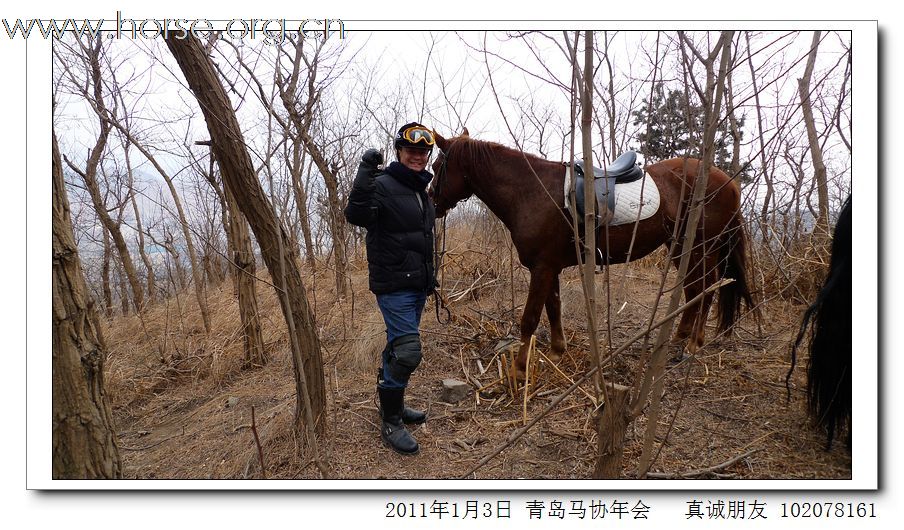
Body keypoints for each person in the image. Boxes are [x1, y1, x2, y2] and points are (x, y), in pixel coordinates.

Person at [344, 122, 438, 455]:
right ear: (399, 151)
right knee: (409, 352)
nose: (417, 157)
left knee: (398, 347)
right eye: (411, 150)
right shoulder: (382, 184)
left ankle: (392, 408)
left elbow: (423, 240)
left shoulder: (420, 189)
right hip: (394, 285)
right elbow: (355, 214)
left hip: (416, 285)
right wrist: (364, 172)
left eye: (423, 152)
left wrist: (430, 277)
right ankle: (391, 424)